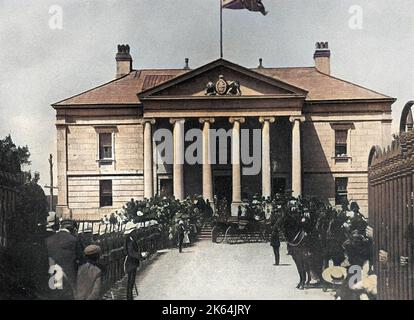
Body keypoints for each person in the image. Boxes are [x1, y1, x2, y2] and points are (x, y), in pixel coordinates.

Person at [46, 219, 84, 299]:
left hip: (53, 275)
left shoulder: (48, 240)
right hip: (69, 276)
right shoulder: (74, 240)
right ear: (74, 229)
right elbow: (82, 259)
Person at [123, 221, 140, 300]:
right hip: (131, 263)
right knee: (130, 282)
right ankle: (129, 298)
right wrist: (140, 256)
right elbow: (131, 253)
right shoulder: (129, 240)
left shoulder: (131, 239)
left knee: (131, 282)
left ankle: (130, 297)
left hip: (132, 263)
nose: (136, 232)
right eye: (134, 231)